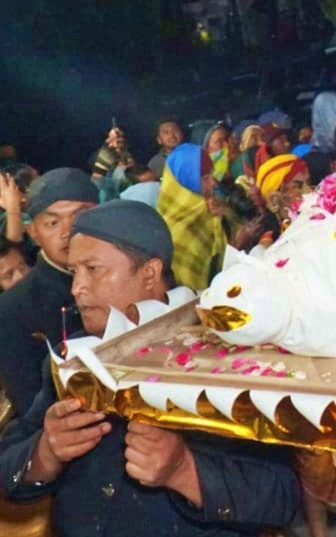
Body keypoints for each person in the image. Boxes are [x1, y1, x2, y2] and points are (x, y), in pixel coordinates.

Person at [0, 200, 299, 537]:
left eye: (93, 269)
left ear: (150, 273)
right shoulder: (76, 356)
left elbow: (282, 497)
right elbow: (10, 466)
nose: (76, 287)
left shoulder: (228, 356)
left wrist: (185, 470)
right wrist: (46, 451)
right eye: (74, 271)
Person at [0, 168, 98, 415]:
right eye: (53, 222)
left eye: (81, 216)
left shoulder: (127, 275)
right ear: (33, 232)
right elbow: (29, 407)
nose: (68, 231)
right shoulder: (13, 308)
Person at [157, 143, 227, 291]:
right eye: (205, 178)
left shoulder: (212, 210)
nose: (214, 183)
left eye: (212, 175)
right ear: (187, 182)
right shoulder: (173, 234)